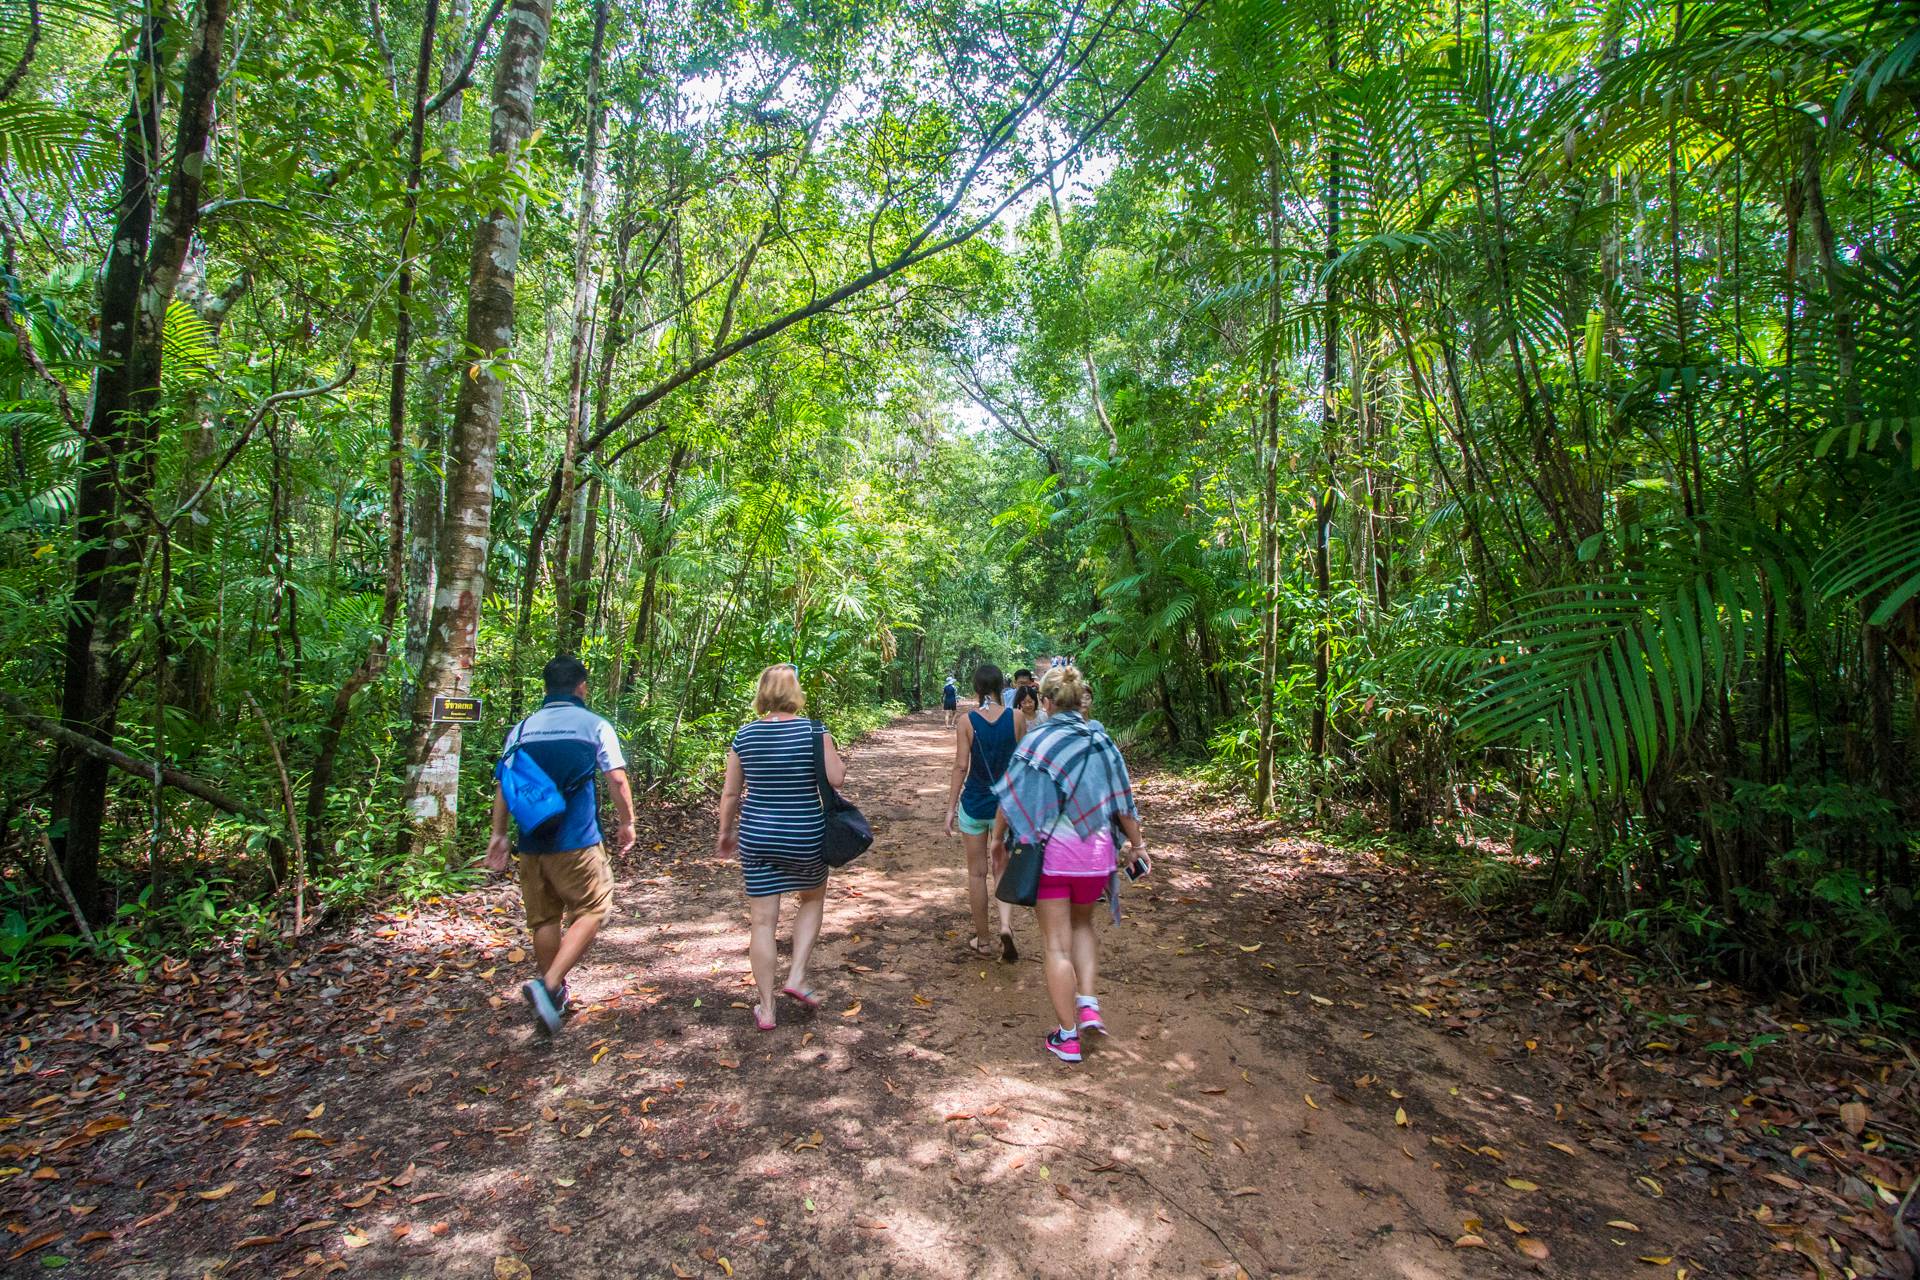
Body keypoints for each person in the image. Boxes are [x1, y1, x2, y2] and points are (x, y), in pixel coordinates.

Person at [994, 665, 1145, 1063]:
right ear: (1081, 701)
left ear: (1044, 701)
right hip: (1096, 855)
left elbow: (1013, 796)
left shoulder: (1036, 740)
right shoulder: (1100, 739)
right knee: (1083, 925)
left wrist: (997, 839)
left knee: (1055, 947)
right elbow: (1122, 797)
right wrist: (1138, 844)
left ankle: (1067, 1036)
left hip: (1052, 857)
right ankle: (1089, 1002)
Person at [488, 654, 636, 1035]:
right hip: (577, 839)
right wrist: (627, 822)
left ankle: (554, 996)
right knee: (593, 908)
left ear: (546, 687)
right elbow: (616, 780)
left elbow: (506, 786)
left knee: (545, 918)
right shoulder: (593, 725)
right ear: (581, 687)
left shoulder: (521, 730)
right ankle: (550, 983)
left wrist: (499, 834)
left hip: (532, 842)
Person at [715, 663, 848, 1030]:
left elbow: (730, 793)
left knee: (762, 921)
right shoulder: (814, 732)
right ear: (794, 694)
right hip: (805, 834)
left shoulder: (744, 737)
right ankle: (797, 977)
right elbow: (836, 779)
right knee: (813, 898)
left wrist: (726, 832)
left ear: (762, 694)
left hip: (757, 834)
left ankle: (767, 1008)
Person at [945, 664, 1025, 960]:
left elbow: (960, 766)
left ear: (977, 689)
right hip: (1006, 807)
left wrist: (951, 809)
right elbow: (1022, 765)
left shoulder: (966, 722)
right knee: (1001, 868)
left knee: (977, 874)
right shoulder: (1016, 718)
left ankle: (984, 940)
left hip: (975, 805)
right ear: (1000, 685)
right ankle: (1005, 925)